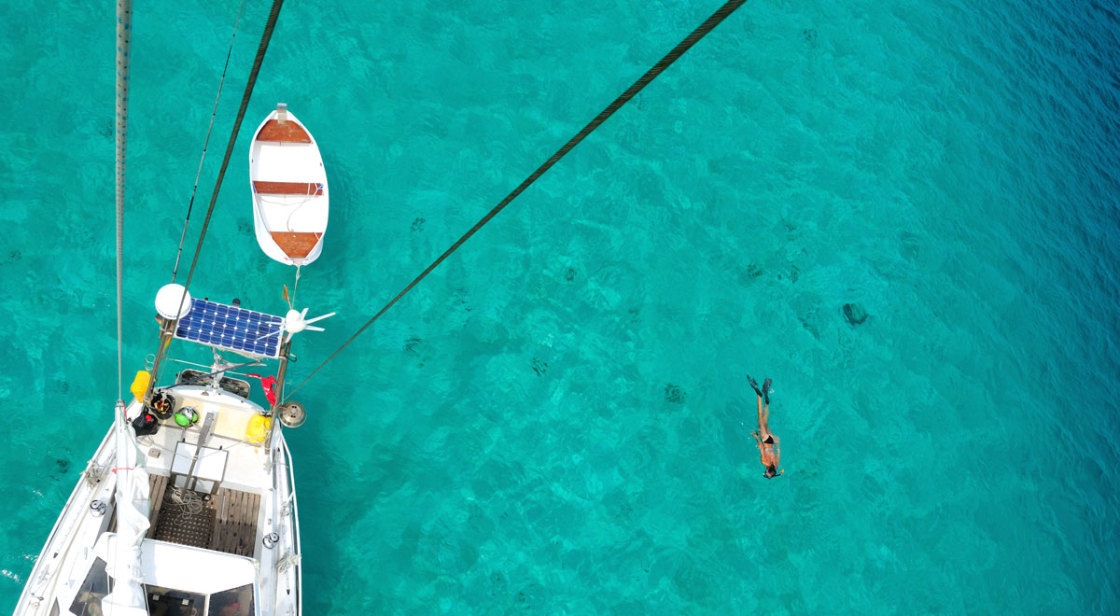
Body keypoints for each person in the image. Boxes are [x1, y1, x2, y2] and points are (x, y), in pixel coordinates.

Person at [748, 375, 783, 478]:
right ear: (767, 470)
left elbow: (779, 451)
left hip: (772, 440)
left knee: (765, 421)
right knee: (760, 417)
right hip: (765, 439)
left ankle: (766, 398)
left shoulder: (776, 464)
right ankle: (759, 395)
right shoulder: (764, 462)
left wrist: (777, 442)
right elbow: (761, 447)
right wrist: (756, 437)